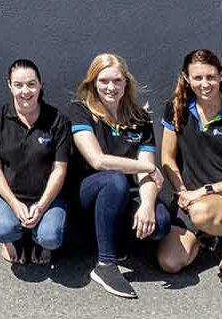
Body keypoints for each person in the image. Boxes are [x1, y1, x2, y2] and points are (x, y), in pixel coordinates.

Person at [68, 54, 170, 298]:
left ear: (126, 83)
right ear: (93, 83)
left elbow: (147, 170)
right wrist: (145, 167)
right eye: (103, 81)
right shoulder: (80, 111)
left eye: (117, 80)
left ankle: (119, 238)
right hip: (87, 192)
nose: (111, 87)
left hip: (125, 193)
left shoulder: (140, 118)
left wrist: (146, 205)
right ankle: (105, 264)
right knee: (114, 179)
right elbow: (98, 161)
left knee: (161, 223)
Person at [157, 49, 222, 276]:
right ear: (186, 78)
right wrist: (182, 191)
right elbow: (167, 158)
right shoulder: (176, 108)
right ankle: (207, 233)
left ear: (221, 75)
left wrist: (203, 192)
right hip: (191, 198)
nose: (204, 84)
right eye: (197, 78)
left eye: (210, 77)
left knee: (202, 212)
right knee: (170, 262)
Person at [0, 59, 70, 265]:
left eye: (31, 84)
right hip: (7, 196)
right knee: (5, 230)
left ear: (41, 85)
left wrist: (41, 206)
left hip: (47, 198)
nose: (25, 91)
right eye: (19, 85)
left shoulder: (58, 120)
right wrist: (14, 204)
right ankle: (11, 242)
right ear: (9, 85)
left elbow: (60, 169)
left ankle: (39, 242)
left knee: (50, 237)